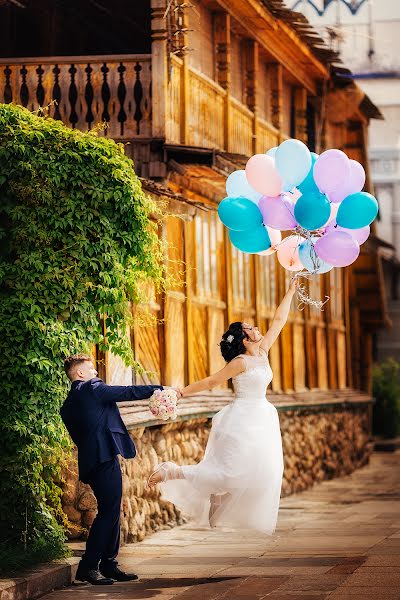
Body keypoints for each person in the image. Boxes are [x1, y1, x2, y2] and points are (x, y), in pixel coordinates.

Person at [148, 278, 298, 533]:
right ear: (244, 339)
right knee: (231, 472)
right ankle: (173, 471)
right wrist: (181, 392)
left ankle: (222, 499)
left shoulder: (262, 352)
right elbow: (212, 381)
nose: (258, 329)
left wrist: (291, 290)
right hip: (240, 419)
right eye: (251, 328)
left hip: (263, 418)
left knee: (267, 473)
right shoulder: (240, 362)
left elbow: (279, 321)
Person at [60, 354, 181, 585]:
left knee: (112, 509)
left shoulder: (68, 404)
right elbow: (127, 392)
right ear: (81, 374)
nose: (97, 373)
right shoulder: (93, 388)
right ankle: (89, 566)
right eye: (92, 369)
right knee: (108, 512)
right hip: (104, 458)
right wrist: (162, 389)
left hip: (90, 461)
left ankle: (108, 564)